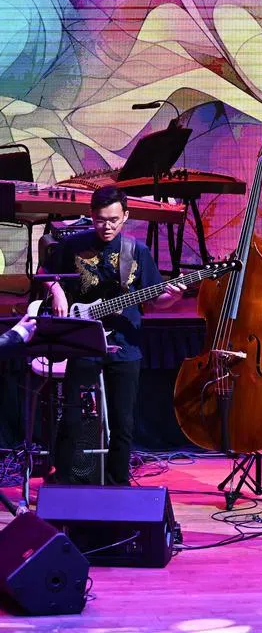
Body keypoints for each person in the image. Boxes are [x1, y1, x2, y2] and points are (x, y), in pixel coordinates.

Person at [44, 187, 184, 485]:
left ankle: (118, 484)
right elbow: (46, 272)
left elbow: (154, 300)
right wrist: (57, 291)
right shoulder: (74, 245)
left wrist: (171, 298)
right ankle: (62, 483)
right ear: (91, 215)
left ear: (126, 217)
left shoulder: (137, 251)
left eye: (113, 220)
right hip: (83, 340)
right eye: (100, 219)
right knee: (72, 416)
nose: (106, 226)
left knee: (124, 422)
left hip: (124, 344)